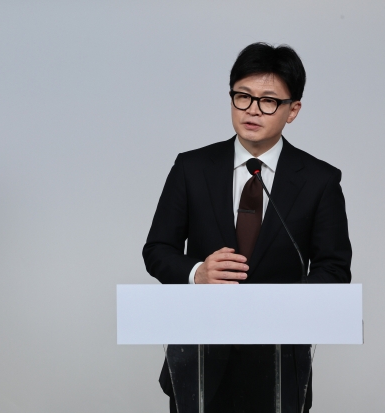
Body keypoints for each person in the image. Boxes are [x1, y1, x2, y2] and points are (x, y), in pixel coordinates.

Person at [142, 43, 352, 412]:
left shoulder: (320, 180)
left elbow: (333, 269)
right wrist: (197, 273)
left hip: (278, 367)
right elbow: (158, 250)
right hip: (199, 361)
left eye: (268, 101)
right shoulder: (192, 168)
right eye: (243, 96)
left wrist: (282, 304)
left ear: (293, 110)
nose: (252, 109)